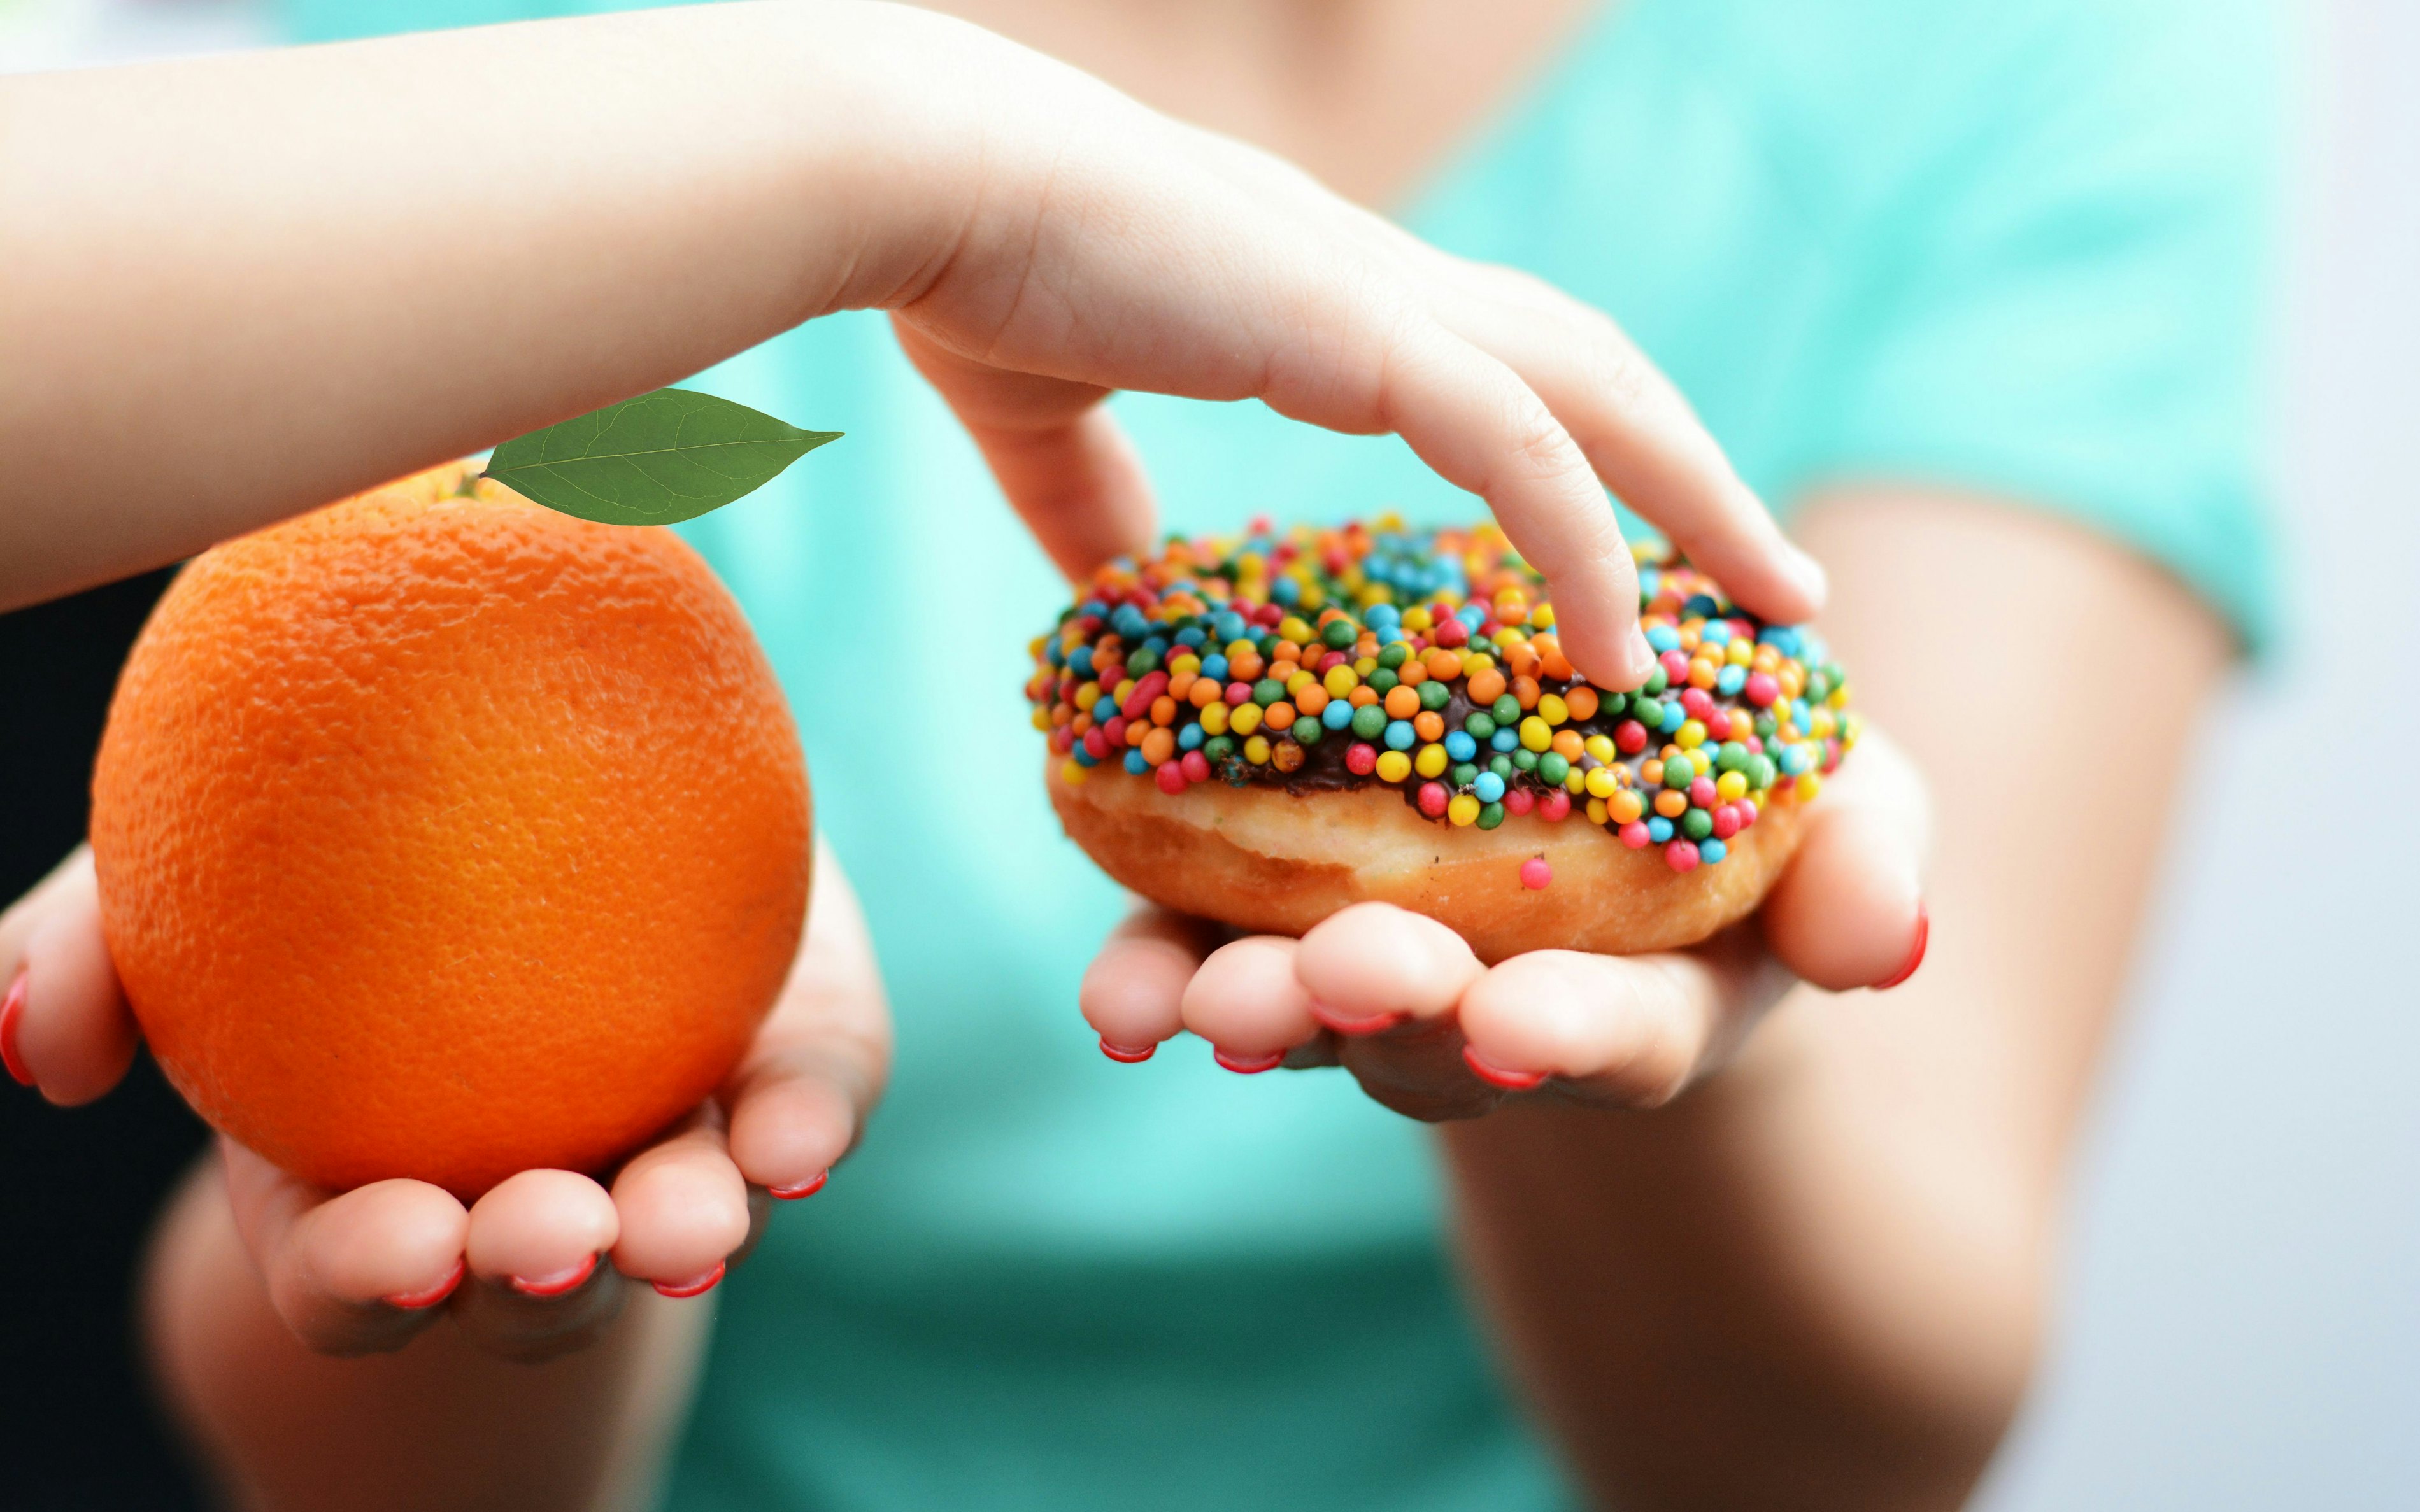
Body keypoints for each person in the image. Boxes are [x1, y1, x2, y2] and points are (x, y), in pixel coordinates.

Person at [0, 1, 2270, 1509]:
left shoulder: (2023, 53)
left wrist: (1677, 1052)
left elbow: (1852, 1447)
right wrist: (509, 1206)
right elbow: (306, 1422)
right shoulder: (543, 67)